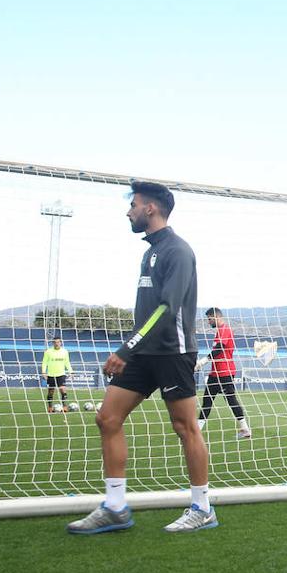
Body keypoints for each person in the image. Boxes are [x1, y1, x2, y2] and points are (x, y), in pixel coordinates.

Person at [67, 181, 214, 534]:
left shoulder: (178, 250)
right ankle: (116, 507)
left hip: (172, 352)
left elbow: (167, 308)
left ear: (150, 208)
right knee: (107, 418)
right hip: (143, 352)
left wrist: (125, 349)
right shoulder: (150, 251)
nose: (128, 211)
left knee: (185, 427)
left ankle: (202, 508)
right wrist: (134, 348)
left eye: (133, 204)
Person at [195, 307, 251, 439]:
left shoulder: (225, 329)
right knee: (207, 400)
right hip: (216, 373)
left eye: (210, 319)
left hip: (225, 372)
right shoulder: (219, 331)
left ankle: (245, 429)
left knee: (230, 400)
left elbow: (219, 349)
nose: (208, 322)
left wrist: (203, 361)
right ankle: (197, 431)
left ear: (217, 317)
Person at [41, 337, 73, 413]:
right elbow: (44, 363)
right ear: (53, 343)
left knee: (63, 389)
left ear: (61, 343)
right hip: (51, 375)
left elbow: (67, 362)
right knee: (51, 391)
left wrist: (71, 372)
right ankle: (50, 407)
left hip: (61, 374)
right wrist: (44, 372)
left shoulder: (65, 352)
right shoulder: (48, 352)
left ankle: (64, 406)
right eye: (55, 342)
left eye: (58, 342)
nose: (57, 343)